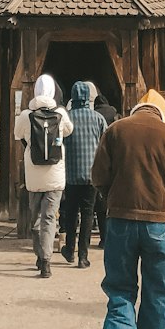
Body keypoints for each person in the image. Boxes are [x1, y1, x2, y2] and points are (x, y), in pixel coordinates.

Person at [90, 89, 165, 329]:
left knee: (120, 291)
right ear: (161, 114)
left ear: (135, 110)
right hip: (160, 224)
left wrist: (113, 201)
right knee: (158, 300)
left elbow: (98, 176)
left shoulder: (115, 131)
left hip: (119, 222)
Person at [14, 72, 73, 279]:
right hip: (55, 174)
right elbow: (68, 131)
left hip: (34, 175)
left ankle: (40, 256)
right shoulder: (61, 113)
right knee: (49, 218)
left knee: (36, 216)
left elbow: (17, 135)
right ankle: (47, 261)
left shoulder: (25, 115)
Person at [61, 81, 108, 268]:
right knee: (88, 214)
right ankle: (83, 255)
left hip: (70, 175)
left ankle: (69, 250)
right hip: (91, 176)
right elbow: (106, 145)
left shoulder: (67, 118)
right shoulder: (98, 119)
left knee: (71, 213)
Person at [91, 87, 118, 246]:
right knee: (105, 201)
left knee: (91, 204)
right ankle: (106, 236)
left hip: (93, 158)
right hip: (110, 158)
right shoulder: (113, 111)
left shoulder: (95, 115)